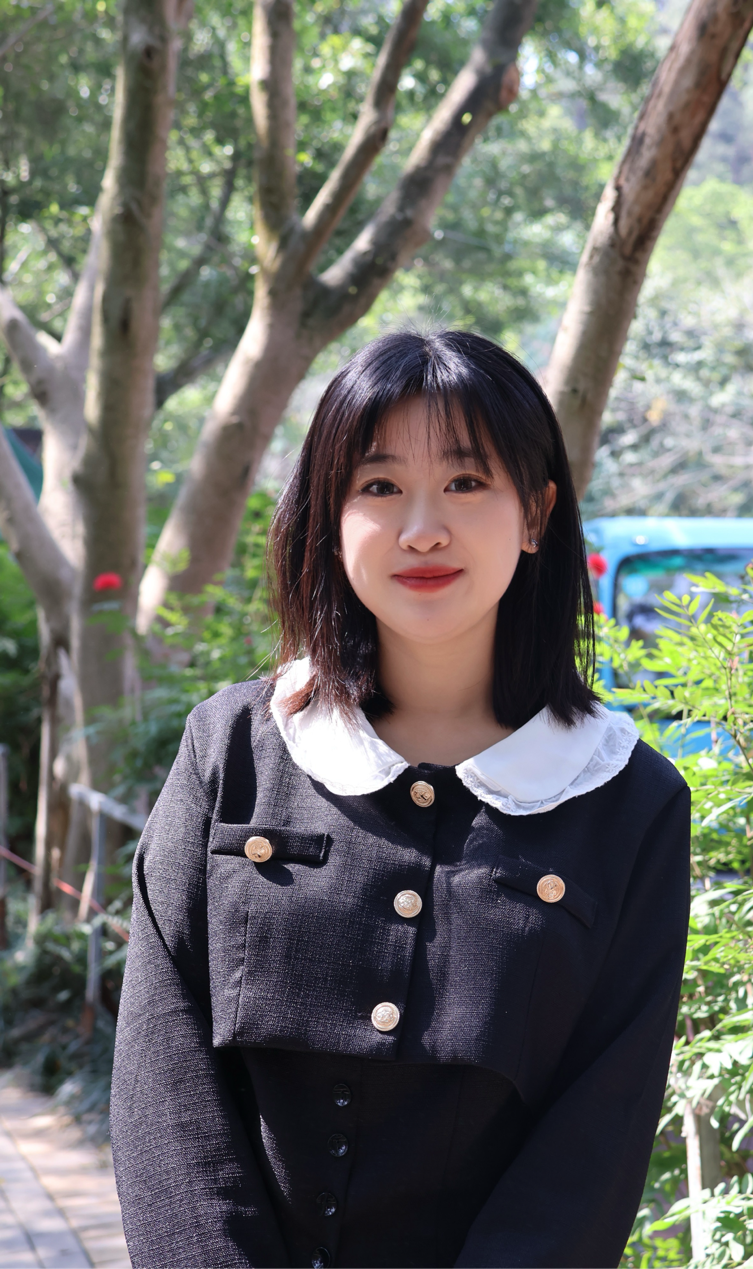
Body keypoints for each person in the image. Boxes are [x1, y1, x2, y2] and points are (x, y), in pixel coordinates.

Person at [110, 330, 690, 1269]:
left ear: (536, 512)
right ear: (329, 515)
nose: (423, 528)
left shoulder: (630, 803)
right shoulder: (232, 749)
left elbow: (597, 1136)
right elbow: (162, 1068)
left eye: (466, 481)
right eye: (379, 486)